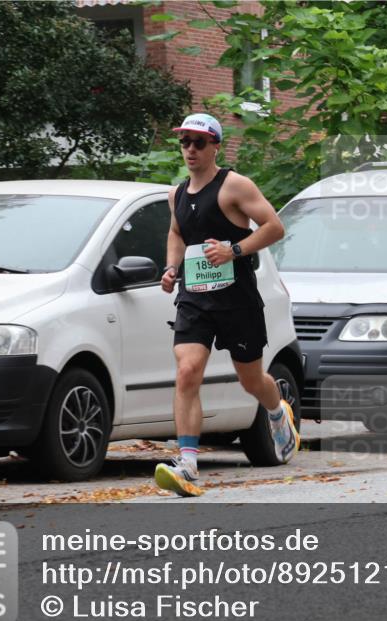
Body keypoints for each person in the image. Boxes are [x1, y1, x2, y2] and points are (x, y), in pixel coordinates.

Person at [154, 113, 299, 497]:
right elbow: (176, 233)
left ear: (215, 146)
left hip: (236, 300)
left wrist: (234, 250)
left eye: (198, 142)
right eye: (184, 141)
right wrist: (171, 268)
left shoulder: (234, 185)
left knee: (251, 379)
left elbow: (274, 227)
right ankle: (187, 462)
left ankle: (276, 412)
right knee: (187, 371)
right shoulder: (177, 193)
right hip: (195, 299)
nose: (190, 149)